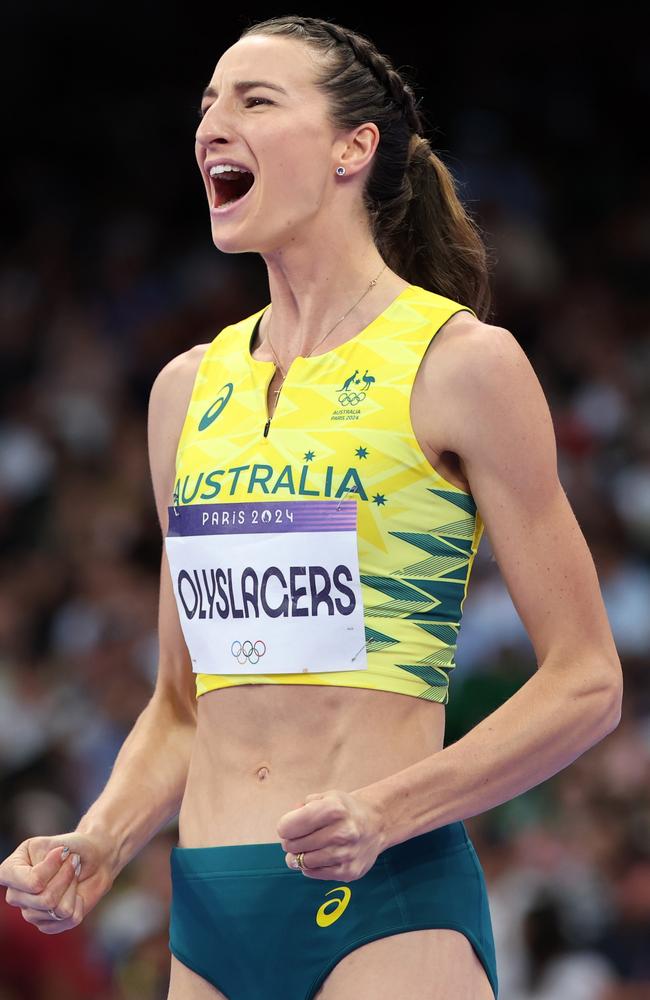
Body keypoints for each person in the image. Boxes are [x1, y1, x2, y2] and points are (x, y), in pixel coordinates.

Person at [0, 15, 623, 1000]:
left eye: (253, 100)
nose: (211, 124)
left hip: (383, 899)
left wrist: (386, 809)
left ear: (351, 148)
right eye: (205, 103)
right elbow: (180, 702)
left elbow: (585, 681)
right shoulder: (184, 392)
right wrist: (101, 836)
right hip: (208, 914)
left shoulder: (458, 366)